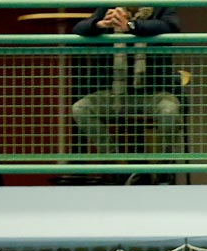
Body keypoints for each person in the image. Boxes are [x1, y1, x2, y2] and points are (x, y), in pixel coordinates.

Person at [70, 6, 184, 179]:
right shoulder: (108, 8)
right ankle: (115, 164)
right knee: (81, 108)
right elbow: (79, 28)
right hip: (114, 95)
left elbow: (170, 26)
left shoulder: (161, 7)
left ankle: (163, 167)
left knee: (169, 110)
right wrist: (100, 24)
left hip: (153, 93)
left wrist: (130, 25)